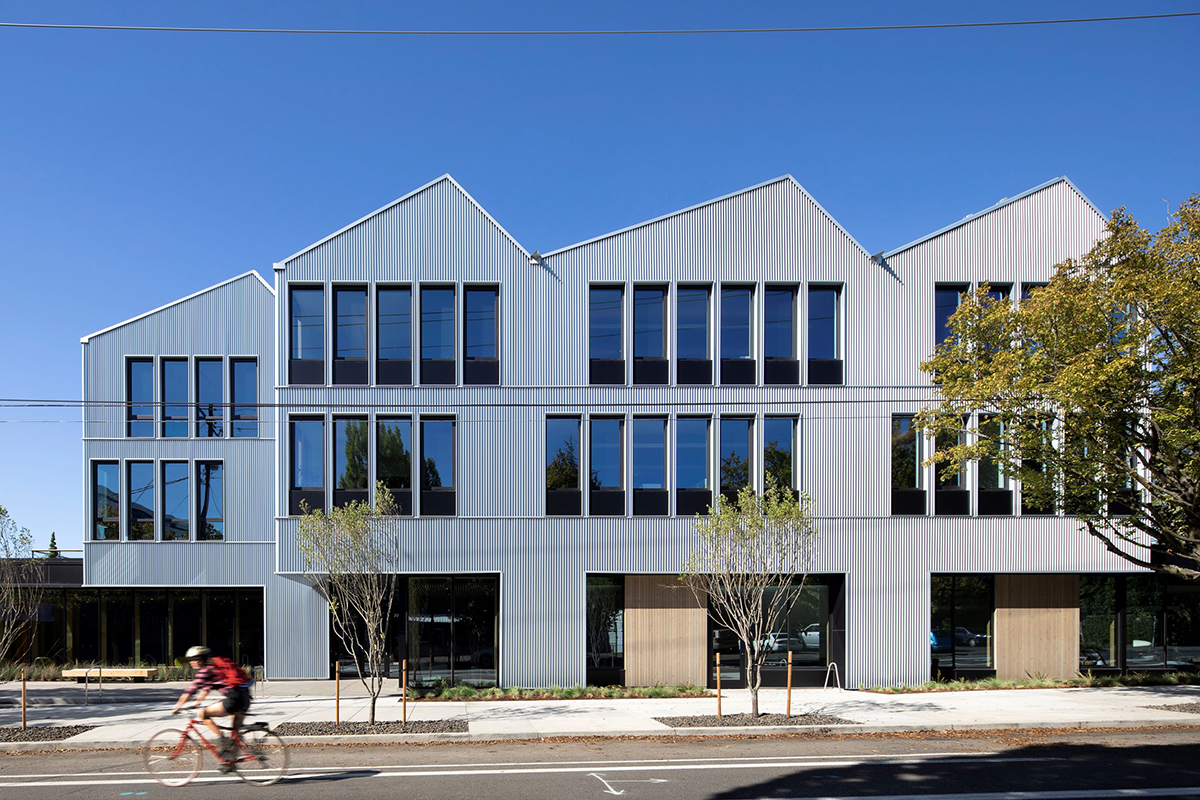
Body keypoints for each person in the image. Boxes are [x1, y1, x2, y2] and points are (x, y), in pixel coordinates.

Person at [170, 645, 253, 770]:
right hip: (245, 697)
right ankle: (230, 762)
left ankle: (221, 739)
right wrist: (198, 701)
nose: (191, 662)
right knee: (235, 733)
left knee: (203, 714)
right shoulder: (215, 667)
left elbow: (191, 690)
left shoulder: (204, 671)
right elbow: (206, 688)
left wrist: (178, 706)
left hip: (234, 699)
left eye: (193, 659)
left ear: (200, 660)